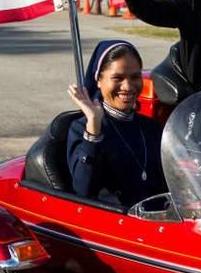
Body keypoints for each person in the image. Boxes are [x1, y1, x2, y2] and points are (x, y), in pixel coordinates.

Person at [66, 40, 167, 208]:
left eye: (135, 77)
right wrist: (94, 127)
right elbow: (84, 191)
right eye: (117, 78)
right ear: (99, 80)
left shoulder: (151, 128)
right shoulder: (80, 128)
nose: (127, 86)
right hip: (115, 224)